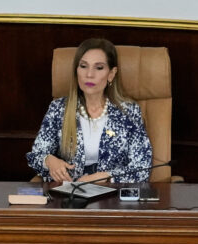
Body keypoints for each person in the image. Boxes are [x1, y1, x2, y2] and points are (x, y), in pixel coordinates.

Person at [26, 38, 152, 184]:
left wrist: (106, 177)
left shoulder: (129, 112)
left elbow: (142, 168)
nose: (89, 74)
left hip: (111, 192)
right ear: (76, 71)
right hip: (69, 192)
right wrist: (48, 160)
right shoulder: (58, 108)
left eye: (99, 68)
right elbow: (35, 156)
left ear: (111, 74)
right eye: (83, 66)